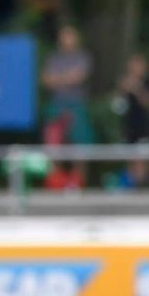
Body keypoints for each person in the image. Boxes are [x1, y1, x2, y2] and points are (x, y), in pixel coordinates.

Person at [41, 24, 95, 188]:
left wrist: (58, 79)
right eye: (65, 36)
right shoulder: (54, 58)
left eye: (70, 36)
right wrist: (66, 78)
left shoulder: (83, 57)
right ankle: (56, 181)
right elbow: (46, 80)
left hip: (77, 105)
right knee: (54, 141)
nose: (67, 40)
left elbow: (78, 77)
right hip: (57, 105)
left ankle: (78, 181)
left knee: (80, 142)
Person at [113, 52, 149, 188]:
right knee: (131, 161)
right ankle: (131, 187)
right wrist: (123, 89)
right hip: (128, 128)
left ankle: (143, 187)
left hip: (143, 129)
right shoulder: (125, 83)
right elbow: (117, 105)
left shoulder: (148, 83)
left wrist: (137, 88)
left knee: (142, 161)